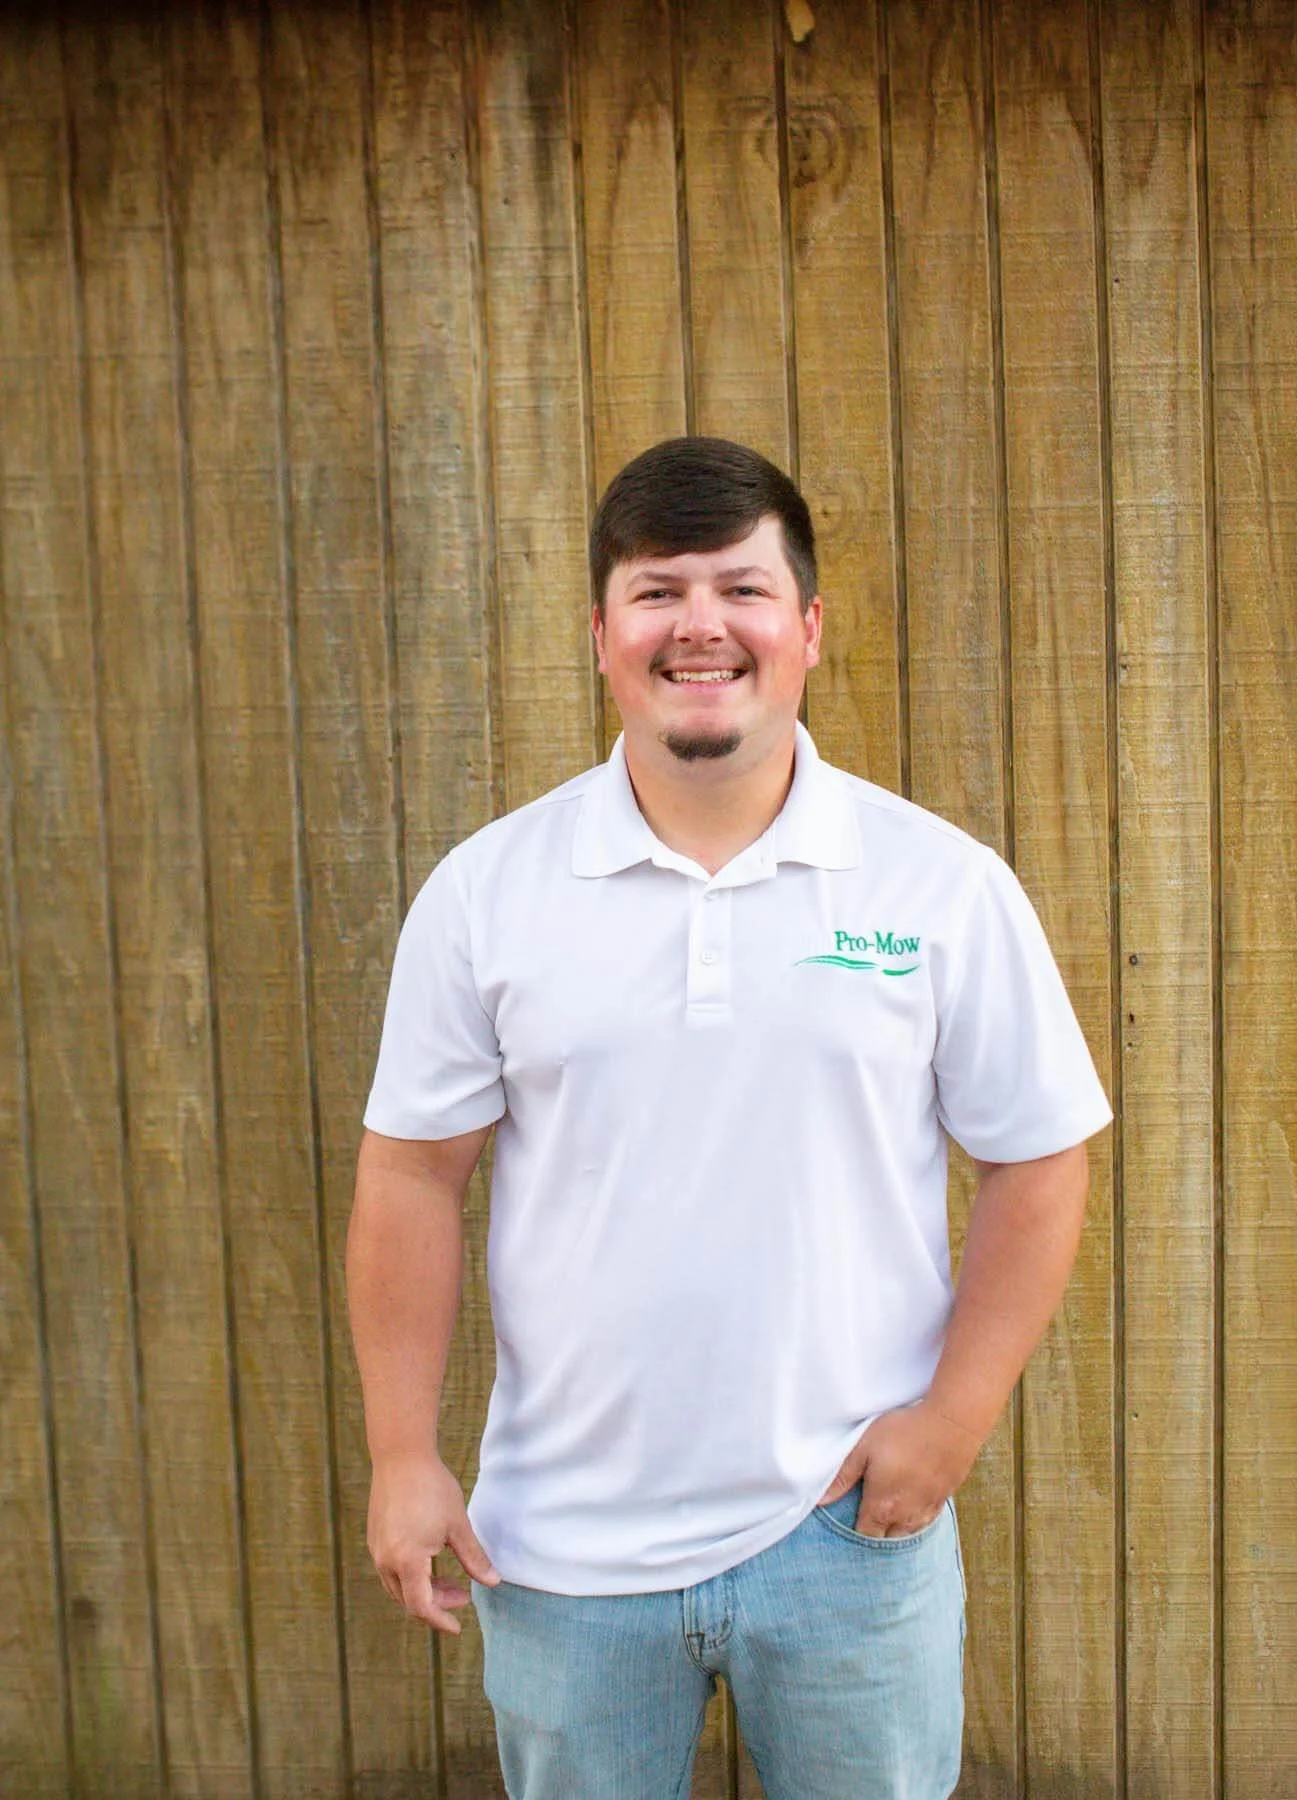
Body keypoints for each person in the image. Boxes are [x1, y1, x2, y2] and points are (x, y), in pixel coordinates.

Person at [347, 436, 1112, 1800]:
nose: (700, 624)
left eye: (741, 589)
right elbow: (410, 1178)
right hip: (562, 1551)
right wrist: (402, 1454)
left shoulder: (938, 886)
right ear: (601, 636)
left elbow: (1041, 1160)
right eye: (657, 591)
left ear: (806, 627)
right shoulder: (486, 894)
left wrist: (951, 1423)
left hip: (845, 1532)